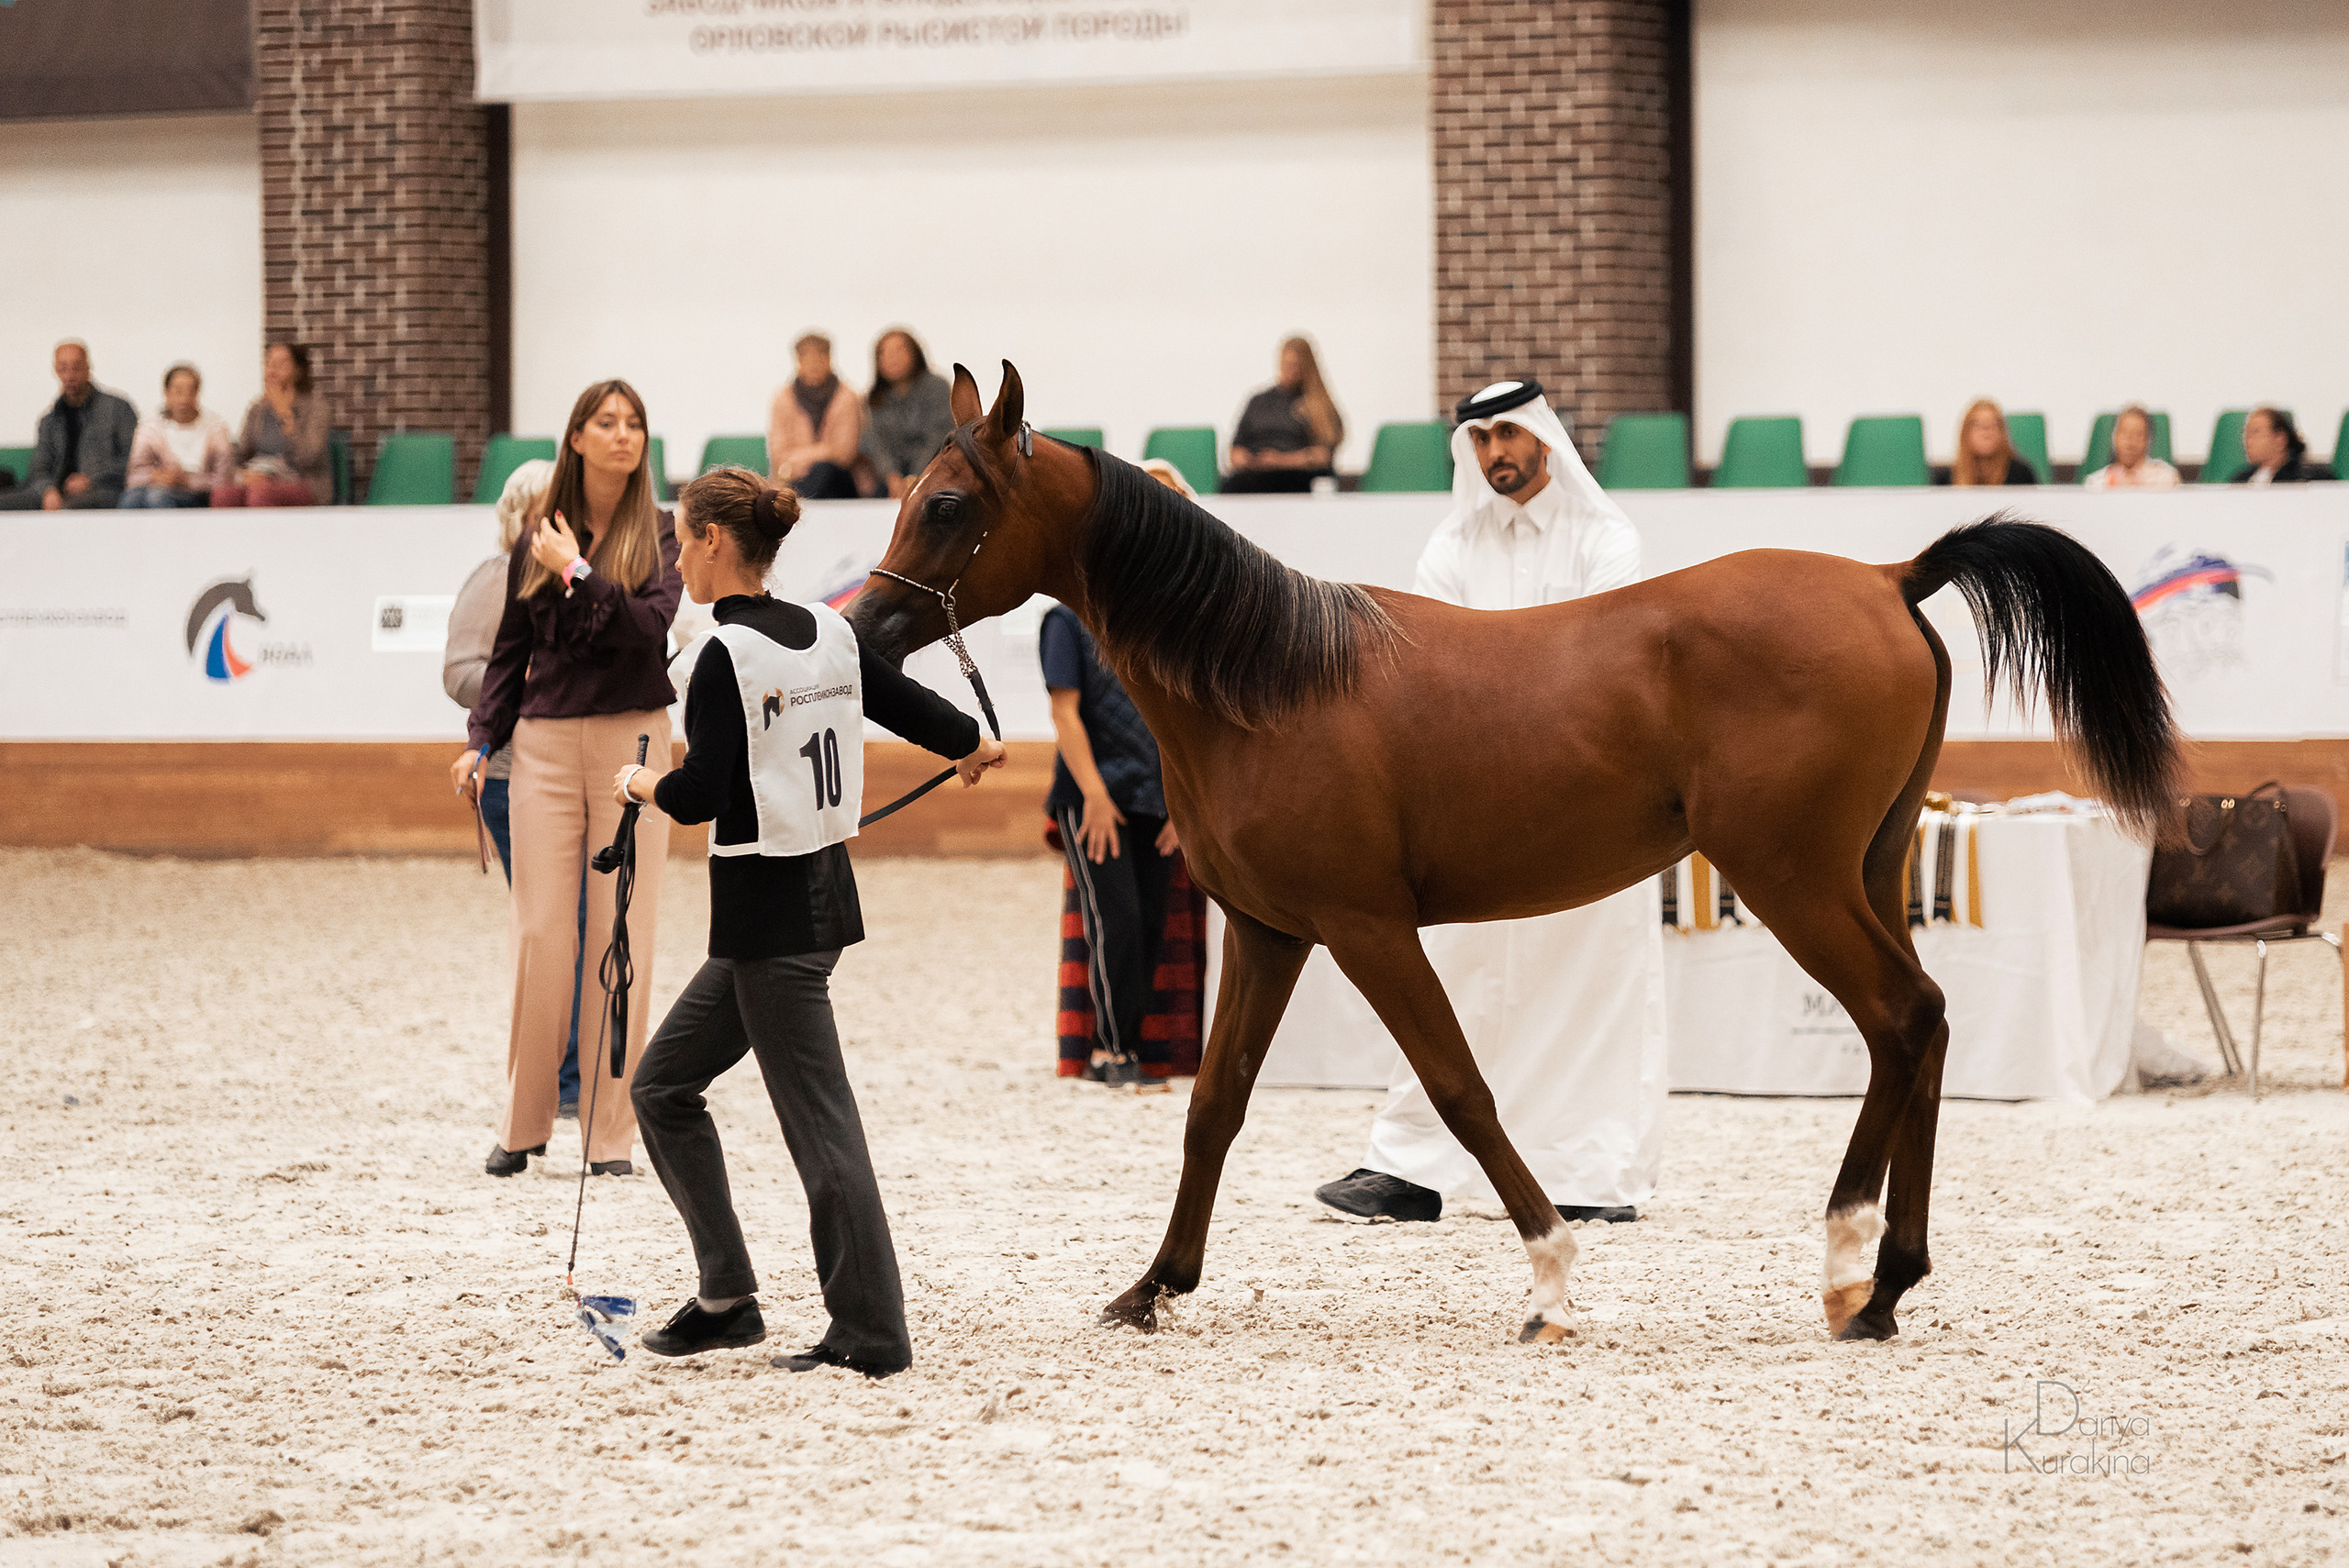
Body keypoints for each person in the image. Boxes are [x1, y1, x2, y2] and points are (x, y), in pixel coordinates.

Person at [625, 465, 1006, 1374]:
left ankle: (870, 1330)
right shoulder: (829, 629)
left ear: (716, 541)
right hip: (818, 900)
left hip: (768, 912)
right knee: (662, 1086)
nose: (680, 550)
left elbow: (700, 794)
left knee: (822, 1125)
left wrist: (640, 784)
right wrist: (969, 741)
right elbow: (900, 699)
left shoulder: (723, 654)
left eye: (684, 535)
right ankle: (726, 1296)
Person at [1313, 378, 1665, 1228]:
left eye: (1508, 434)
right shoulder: (1451, 548)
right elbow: (1426, 675)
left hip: (1591, 794)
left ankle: (1588, 1168)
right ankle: (1411, 1166)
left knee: (1590, 971)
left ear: (1545, 438)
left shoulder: (1607, 539)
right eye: (1480, 440)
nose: (1495, 452)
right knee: (1448, 969)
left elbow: (1607, 672)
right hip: (1472, 794)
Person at [451, 379, 681, 1179]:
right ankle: (524, 1124)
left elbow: (647, 631)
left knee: (623, 934)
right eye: (606, 423)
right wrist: (481, 742)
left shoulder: (660, 533)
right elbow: (510, 654)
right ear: (576, 437)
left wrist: (578, 570)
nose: (623, 435)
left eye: (635, 424)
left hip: (635, 742)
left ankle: (609, 1135)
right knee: (543, 933)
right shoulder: (536, 537)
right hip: (542, 747)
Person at [1042, 458, 1191, 1090]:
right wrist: (1096, 796)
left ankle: (1132, 1046)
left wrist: (1185, 804)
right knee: (1116, 921)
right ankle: (1110, 1050)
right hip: (1091, 795)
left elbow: (1192, 719)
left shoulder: (1181, 618)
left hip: (1160, 798)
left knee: (1154, 921)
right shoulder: (1070, 614)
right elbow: (1065, 712)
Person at [0, 340, 137, 511]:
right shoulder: (49, 420)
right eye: (63, 368)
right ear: (55, 370)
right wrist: (48, 490)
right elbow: (39, 467)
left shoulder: (118, 409)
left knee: (73, 506)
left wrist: (90, 479)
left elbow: (131, 459)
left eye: (76, 368)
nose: (69, 376)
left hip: (102, 490)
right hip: (55, 492)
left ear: (88, 368)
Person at [216, 343, 332, 507]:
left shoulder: (317, 407)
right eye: (269, 362)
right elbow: (239, 453)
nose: (273, 369)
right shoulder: (258, 409)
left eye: (281, 364)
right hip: (260, 475)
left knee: (260, 494)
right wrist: (242, 475)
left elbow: (309, 458)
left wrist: (285, 414)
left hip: (302, 482)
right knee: (223, 495)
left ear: (298, 371)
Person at [1222, 336, 1342, 494]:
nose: (1290, 371)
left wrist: (1280, 461)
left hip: (1298, 477)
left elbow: (1322, 456)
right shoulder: (1258, 402)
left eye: (1296, 366)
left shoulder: (1317, 405)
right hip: (1258, 476)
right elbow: (1235, 450)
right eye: (1286, 364)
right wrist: (1247, 460)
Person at [121, 362, 234, 508]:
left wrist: (186, 480)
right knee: (131, 499)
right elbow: (133, 476)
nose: (184, 399)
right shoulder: (150, 429)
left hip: (198, 493)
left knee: (157, 497)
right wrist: (156, 476)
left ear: (197, 393)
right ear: (167, 393)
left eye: (190, 391)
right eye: (178, 391)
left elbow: (224, 480)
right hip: (156, 485)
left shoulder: (215, 430)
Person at [861, 328, 955, 500]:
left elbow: (938, 435)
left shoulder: (936, 387)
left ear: (915, 353)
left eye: (898, 350)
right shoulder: (874, 397)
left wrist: (916, 476)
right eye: (884, 353)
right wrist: (891, 475)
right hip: (890, 477)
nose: (892, 358)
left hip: (933, 469)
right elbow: (875, 441)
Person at [766, 332, 863, 500]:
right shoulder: (783, 398)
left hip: (838, 479)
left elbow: (844, 454)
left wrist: (797, 458)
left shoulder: (847, 397)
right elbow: (778, 454)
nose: (814, 364)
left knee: (824, 470)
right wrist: (823, 451)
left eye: (820, 356)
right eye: (807, 358)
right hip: (795, 479)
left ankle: (800, 504)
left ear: (829, 358)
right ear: (798, 360)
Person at [2079, 406, 2180, 490]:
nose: (2130, 442)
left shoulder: (2165, 479)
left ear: (2148, 440)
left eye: (2138, 434)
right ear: (2114, 437)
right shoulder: (2098, 482)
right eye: (2125, 433)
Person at [1943, 398, 2036, 486]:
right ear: (1966, 433)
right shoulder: (1948, 479)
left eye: (1992, 425)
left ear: (2002, 432)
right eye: (1978, 425)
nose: (1986, 432)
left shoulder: (2021, 475)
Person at [2232, 406, 2332, 484]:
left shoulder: (2304, 479)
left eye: (2255, 433)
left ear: (2280, 439)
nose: (2248, 441)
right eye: (2247, 435)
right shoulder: (2240, 480)